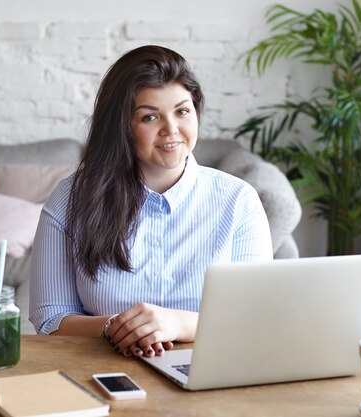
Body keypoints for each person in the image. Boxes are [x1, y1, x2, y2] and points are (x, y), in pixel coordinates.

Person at [29, 45, 273, 358]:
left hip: (207, 371)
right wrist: (115, 327)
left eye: (182, 111)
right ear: (122, 128)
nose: (171, 129)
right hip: (101, 369)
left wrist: (176, 324)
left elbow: (256, 319)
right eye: (150, 116)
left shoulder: (239, 201)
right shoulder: (72, 197)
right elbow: (50, 318)